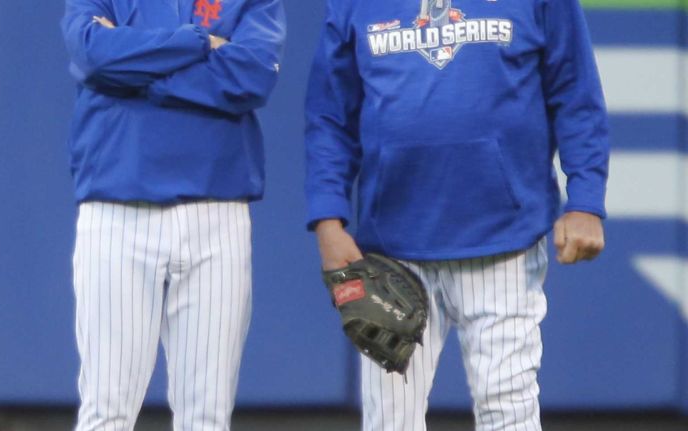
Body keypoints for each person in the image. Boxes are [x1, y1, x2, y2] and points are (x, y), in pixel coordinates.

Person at [305, 0, 608, 430]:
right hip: (393, 250)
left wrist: (586, 200)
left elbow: (576, 94)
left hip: (502, 238)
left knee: (506, 407)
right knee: (389, 420)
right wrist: (327, 219)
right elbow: (330, 117)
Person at [60, 0, 285, 429]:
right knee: (106, 409)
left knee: (207, 416)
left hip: (217, 211)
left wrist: (140, 75)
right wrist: (198, 42)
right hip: (116, 209)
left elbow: (252, 75)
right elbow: (94, 56)